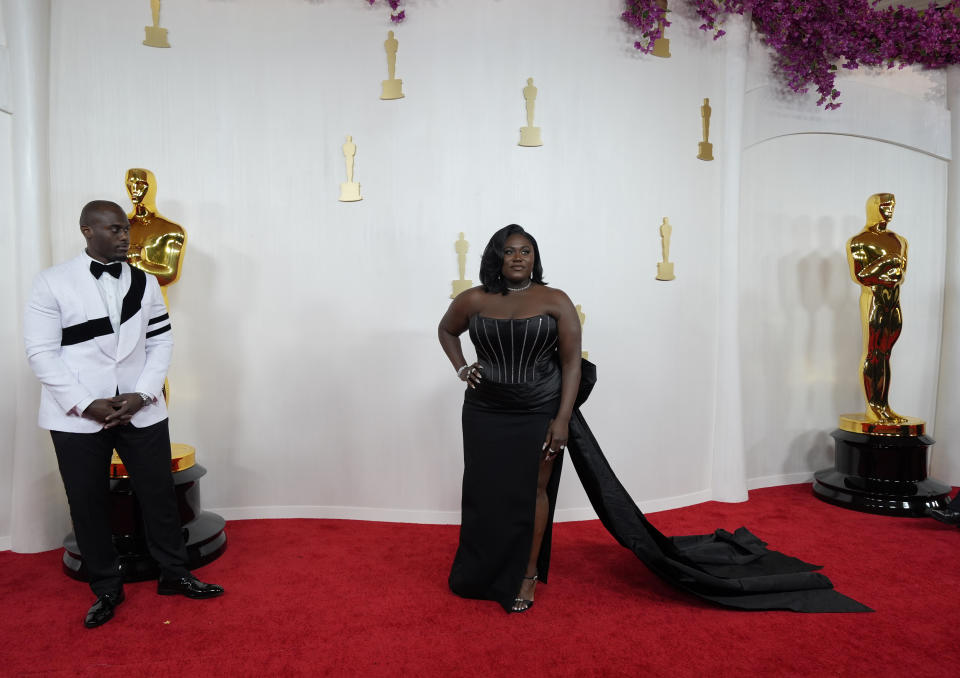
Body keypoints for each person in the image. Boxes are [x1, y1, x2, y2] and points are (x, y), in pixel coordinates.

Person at [438, 224, 870, 614]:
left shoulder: (555, 300)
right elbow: (446, 330)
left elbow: (571, 364)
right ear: (495, 256)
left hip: (537, 410)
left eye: (526, 250)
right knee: (484, 491)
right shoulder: (474, 299)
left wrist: (562, 419)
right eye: (509, 250)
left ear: (536, 257)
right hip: (484, 412)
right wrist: (462, 367)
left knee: (531, 491)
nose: (517, 257)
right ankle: (480, 572)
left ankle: (526, 576)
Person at [23, 200, 224, 629]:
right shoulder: (51, 283)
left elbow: (160, 343)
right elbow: (41, 353)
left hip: (140, 408)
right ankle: (106, 588)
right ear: (87, 231)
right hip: (76, 415)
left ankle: (175, 574)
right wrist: (85, 402)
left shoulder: (145, 282)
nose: (124, 238)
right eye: (114, 230)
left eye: (125, 231)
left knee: (159, 495)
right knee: (88, 502)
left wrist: (142, 394)